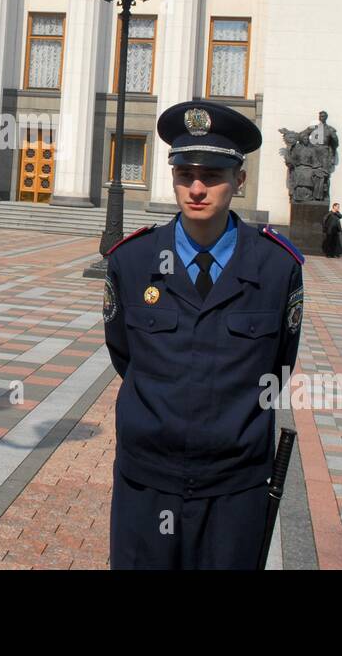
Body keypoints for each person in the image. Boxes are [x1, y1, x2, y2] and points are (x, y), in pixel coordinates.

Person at [104, 100, 304, 570]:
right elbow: (124, 355)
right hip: (147, 480)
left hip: (234, 486)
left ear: (239, 180)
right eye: (185, 173)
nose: (197, 188)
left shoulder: (276, 268)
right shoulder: (131, 262)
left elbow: (279, 363)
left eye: (213, 175)